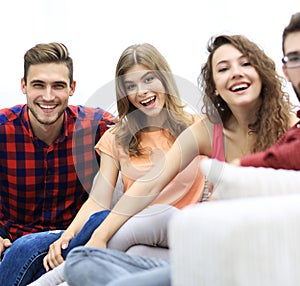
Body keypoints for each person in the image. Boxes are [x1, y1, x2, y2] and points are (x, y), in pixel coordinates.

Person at [35, 31, 299, 286]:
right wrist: (89, 237)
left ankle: (73, 265)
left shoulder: (290, 127)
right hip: (180, 237)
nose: (235, 73)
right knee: (133, 248)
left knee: (146, 222)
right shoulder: (206, 130)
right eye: (223, 69)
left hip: (232, 239)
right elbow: (147, 184)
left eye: (245, 63)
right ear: (215, 87)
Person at [12, 43, 206, 285]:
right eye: (131, 86)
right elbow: (98, 199)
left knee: (124, 222)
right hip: (137, 240)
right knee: (131, 252)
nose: (142, 91)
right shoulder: (117, 137)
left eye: (149, 80)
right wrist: (69, 236)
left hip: (179, 229)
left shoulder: (197, 129)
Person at [0, 42, 115, 285]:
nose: (49, 96)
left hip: (65, 245)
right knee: (22, 249)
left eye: (58, 86)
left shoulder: (94, 127)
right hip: (10, 246)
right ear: (24, 86)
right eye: (39, 85)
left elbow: (145, 127)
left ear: (72, 88)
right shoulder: (3, 130)